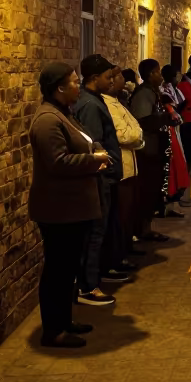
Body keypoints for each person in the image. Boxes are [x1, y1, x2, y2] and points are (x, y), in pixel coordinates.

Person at [28, 62, 111, 347]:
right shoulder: (47, 120)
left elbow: (79, 144)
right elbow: (57, 162)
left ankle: (64, 320)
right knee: (57, 270)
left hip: (72, 208)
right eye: (74, 82)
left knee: (67, 269)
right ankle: (53, 330)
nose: (79, 85)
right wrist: (95, 160)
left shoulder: (65, 113)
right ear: (59, 88)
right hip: (58, 209)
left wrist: (93, 150)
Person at [73, 54, 125, 305]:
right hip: (98, 178)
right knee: (94, 232)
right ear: (94, 78)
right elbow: (93, 144)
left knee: (101, 230)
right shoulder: (90, 105)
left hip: (104, 177)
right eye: (107, 77)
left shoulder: (95, 100)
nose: (111, 81)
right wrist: (106, 164)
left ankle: (96, 276)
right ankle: (87, 287)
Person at [104, 67, 144, 272]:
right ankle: (116, 258)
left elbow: (134, 129)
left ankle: (124, 249)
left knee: (127, 212)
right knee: (120, 215)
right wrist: (137, 134)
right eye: (115, 77)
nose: (120, 80)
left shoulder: (116, 102)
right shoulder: (107, 105)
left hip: (129, 163)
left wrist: (136, 133)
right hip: (121, 166)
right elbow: (125, 134)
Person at [130, 58, 173, 240]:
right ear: (149, 74)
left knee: (153, 189)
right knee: (146, 190)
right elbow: (144, 120)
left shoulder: (153, 92)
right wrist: (165, 117)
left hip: (155, 147)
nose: (160, 75)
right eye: (157, 72)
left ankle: (146, 227)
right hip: (146, 149)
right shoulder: (143, 94)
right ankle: (142, 229)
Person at [160, 67, 190, 201]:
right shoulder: (165, 91)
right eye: (176, 76)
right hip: (169, 130)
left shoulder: (174, 89)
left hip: (175, 129)